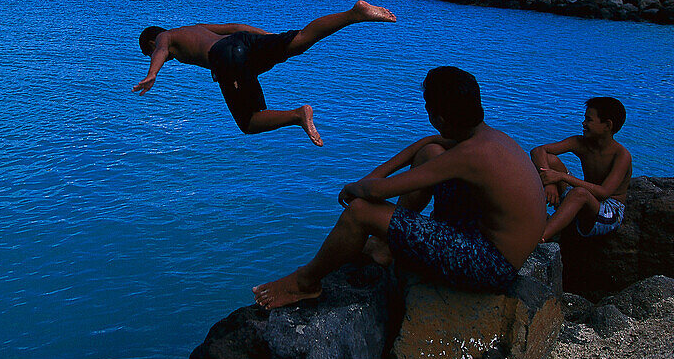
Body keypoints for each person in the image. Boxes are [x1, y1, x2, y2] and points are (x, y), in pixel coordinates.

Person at [252, 66, 546, 309]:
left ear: (438, 117)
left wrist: (356, 188)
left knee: (361, 213)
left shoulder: (471, 155)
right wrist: (366, 180)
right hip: (489, 240)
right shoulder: (488, 139)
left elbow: (377, 194)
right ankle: (385, 244)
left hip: (489, 265)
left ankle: (305, 283)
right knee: (429, 152)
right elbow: (425, 147)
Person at [134, 0, 396, 146]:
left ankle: (297, 115)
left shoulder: (164, 38)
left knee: (249, 122)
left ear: (149, 43)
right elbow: (235, 26)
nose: (161, 54)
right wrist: (271, 39)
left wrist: (152, 72)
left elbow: (160, 50)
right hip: (244, 42)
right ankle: (354, 14)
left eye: (150, 50)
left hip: (226, 57)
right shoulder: (196, 27)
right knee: (300, 40)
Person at [531, 97, 632, 243]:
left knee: (579, 193)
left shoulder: (621, 155)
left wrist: (561, 176)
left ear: (607, 125)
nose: (583, 123)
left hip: (608, 213)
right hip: (584, 200)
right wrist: (550, 183)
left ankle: (540, 237)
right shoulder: (580, 142)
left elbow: (604, 193)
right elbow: (538, 151)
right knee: (550, 160)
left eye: (589, 120)